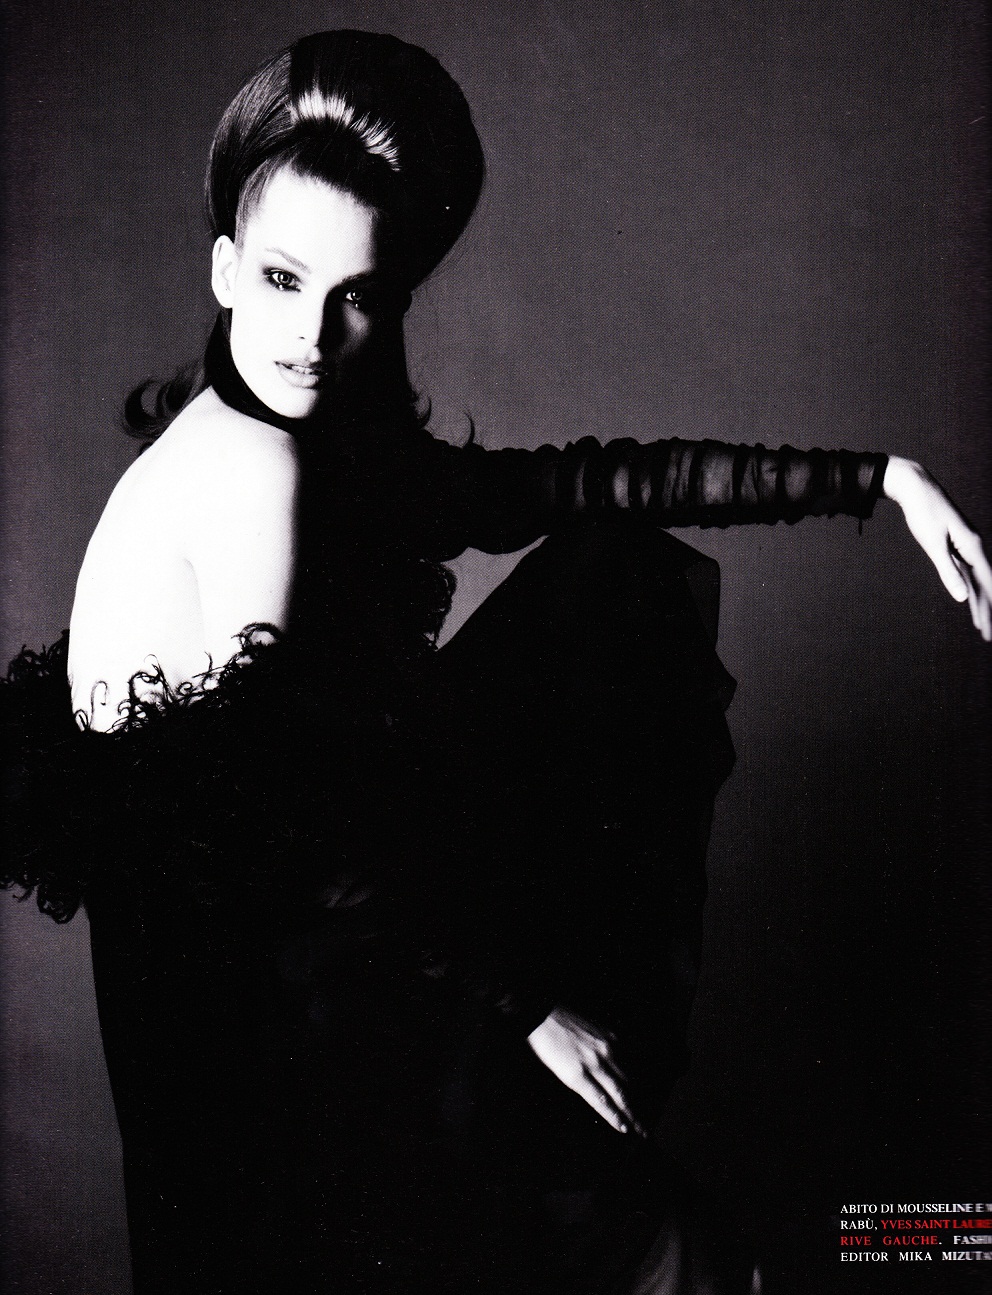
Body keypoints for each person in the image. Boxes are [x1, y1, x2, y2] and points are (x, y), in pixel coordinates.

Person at [3, 28, 990, 1295]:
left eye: (358, 296)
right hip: (263, 1022)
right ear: (223, 267)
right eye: (284, 279)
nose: (313, 333)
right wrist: (528, 1008)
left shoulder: (299, 435)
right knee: (629, 1241)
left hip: (305, 958)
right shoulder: (250, 475)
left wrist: (877, 480)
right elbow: (303, 824)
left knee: (610, 570)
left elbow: (578, 483)